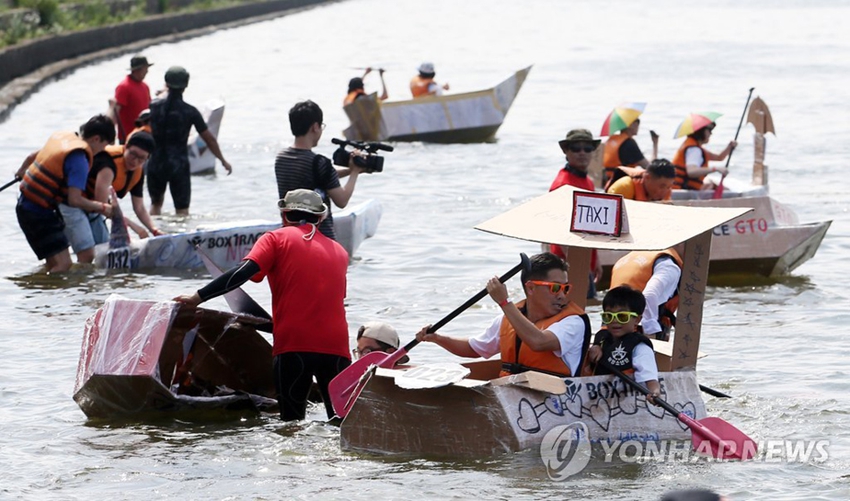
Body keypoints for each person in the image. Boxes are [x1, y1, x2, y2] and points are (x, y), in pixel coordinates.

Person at [173, 189, 350, 421]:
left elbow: (243, 272)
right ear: (322, 217)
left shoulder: (274, 239)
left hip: (293, 345)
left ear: (284, 214)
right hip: (337, 348)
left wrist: (198, 297)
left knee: (292, 426)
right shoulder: (340, 252)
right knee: (341, 424)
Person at [415, 252, 591, 378]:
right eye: (555, 287)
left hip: (555, 402)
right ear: (531, 287)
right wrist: (437, 338)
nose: (562, 295)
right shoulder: (508, 320)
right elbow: (474, 348)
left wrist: (504, 302)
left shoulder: (573, 322)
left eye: (565, 288)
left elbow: (539, 342)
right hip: (512, 397)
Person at [15, 115, 115, 272]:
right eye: (103, 146)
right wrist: (102, 207)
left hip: (25, 205)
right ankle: (50, 294)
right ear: (96, 139)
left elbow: (31, 157)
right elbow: (74, 200)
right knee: (64, 265)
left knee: (54, 264)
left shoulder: (65, 138)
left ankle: (42, 290)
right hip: (38, 213)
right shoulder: (79, 160)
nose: (101, 152)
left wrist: (21, 172)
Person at [147, 66, 232, 216]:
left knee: (155, 205)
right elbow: (209, 139)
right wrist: (223, 160)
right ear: (186, 85)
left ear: (166, 83)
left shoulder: (154, 107)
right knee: (182, 210)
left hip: (156, 162)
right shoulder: (190, 111)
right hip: (178, 164)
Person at [275, 100, 365, 240]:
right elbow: (342, 200)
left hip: (291, 238)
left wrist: (350, 170)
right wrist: (354, 173)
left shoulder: (281, 159)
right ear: (315, 127)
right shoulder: (320, 162)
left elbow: (315, 178)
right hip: (320, 239)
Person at [582, 285, 662, 405]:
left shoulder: (640, 348)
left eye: (622, 316)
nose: (614, 321)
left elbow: (650, 377)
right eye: (609, 316)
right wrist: (595, 347)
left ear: (637, 319)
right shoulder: (602, 338)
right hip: (599, 402)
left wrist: (654, 393)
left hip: (625, 404)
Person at [549, 128, 602, 297]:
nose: (582, 153)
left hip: (586, 261)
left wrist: (596, 260)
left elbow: (592, 225)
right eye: (576, 148)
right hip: (566, 263)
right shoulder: (562, 185)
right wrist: (577, 267)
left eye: (587, 149)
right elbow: (558, 228)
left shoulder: (588, 182)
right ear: (566, 151)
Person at [86, 131, 163, 240]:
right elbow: (101, 203)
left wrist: (154, 229)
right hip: (78, 203)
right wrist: (131, 224)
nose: (135, 161)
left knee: (104, 246)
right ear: (126, 147)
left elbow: (139, 208)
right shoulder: (108, 163)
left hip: (95, 211)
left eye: (141, 158)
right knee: (89, 250)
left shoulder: (137, 172)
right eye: (133, 154)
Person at [609, 248, 683, 340]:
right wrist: (650, 333)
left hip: (612, 324)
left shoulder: (626, 259)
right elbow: (649, 295)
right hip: (635, 328)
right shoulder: (669, 266)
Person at [673, 122, 736, 190]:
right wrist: (715, 169)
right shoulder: (694, 150)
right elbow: (691, 172)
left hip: (683, 187)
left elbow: (719, 157)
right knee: (716, 187)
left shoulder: (694, 146)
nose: (711, 133)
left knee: (711, 183)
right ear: (700, 131)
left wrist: (729, 147)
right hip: (682, 189)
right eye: (709, 130)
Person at [602, 119, 659, 184]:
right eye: (637, 122)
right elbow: (650, 168)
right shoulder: (629, 143)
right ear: (630, 124)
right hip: (619, 183)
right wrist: (656, 144)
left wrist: (655, 143)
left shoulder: (611, 139)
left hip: (606, 181)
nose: (638, 125)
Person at [112, 54, 152, 144]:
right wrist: (110, 135)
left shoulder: (145, 86)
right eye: (146, 68)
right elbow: (116, 112)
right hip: (128, 138)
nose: (147, 71)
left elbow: (149, 108)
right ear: (138, 69)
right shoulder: (123, 87)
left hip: (145, 135)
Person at [605, 158, 676, 202]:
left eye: (668, 187)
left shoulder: (666, 190)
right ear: (647, 178)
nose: (665, 191)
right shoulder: (624, 187)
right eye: (661, 186)